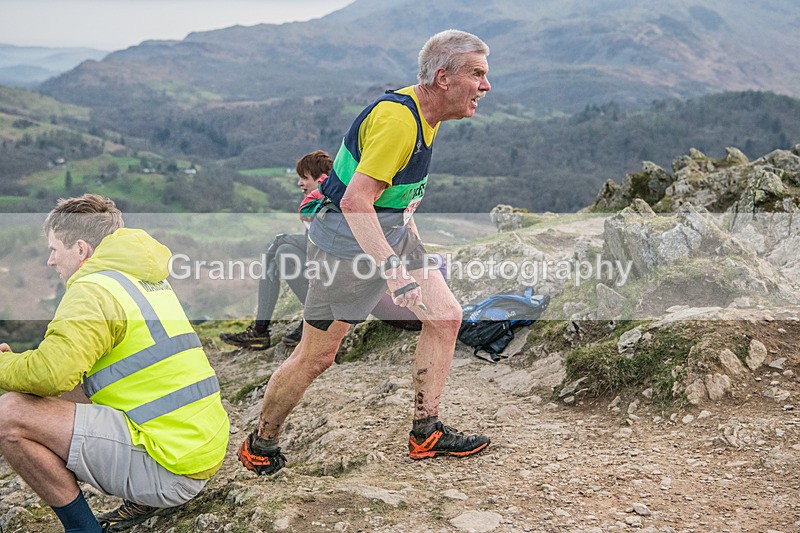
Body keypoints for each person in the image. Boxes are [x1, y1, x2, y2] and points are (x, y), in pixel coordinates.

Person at [237, 29, 492, 476]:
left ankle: (426, 431)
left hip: (390, 231)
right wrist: (395, 272)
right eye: (477, 74)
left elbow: (397, 195)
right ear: (442, 77)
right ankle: (261, 442)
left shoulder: (426, 116)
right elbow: (356, 201)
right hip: (348, 249)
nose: (485, 86)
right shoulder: (399, 121)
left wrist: (416, 253)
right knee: (316, 356)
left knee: (446, 316)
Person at [0, 194, 230, 532]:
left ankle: (82, 528)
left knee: (11, 415)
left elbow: (49, 375)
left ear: (80, 250)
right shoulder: (138, 278)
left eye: (54, 249)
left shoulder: (93, 291)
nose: (50, 261)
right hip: (196, 446)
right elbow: (66, 375)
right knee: (60, 389)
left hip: (170, 467)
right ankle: (139, 497)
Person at [219, 150, 333, 350]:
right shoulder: (319, 201)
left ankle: (313, 319)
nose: (299, 183)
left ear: (321, 179)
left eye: (304, 178)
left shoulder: (333, 203)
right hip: (325, 271)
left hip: (339, 276)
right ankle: (260, 330)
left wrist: (281, 240)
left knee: (282, 248)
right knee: (283, 250)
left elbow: (326, 245)